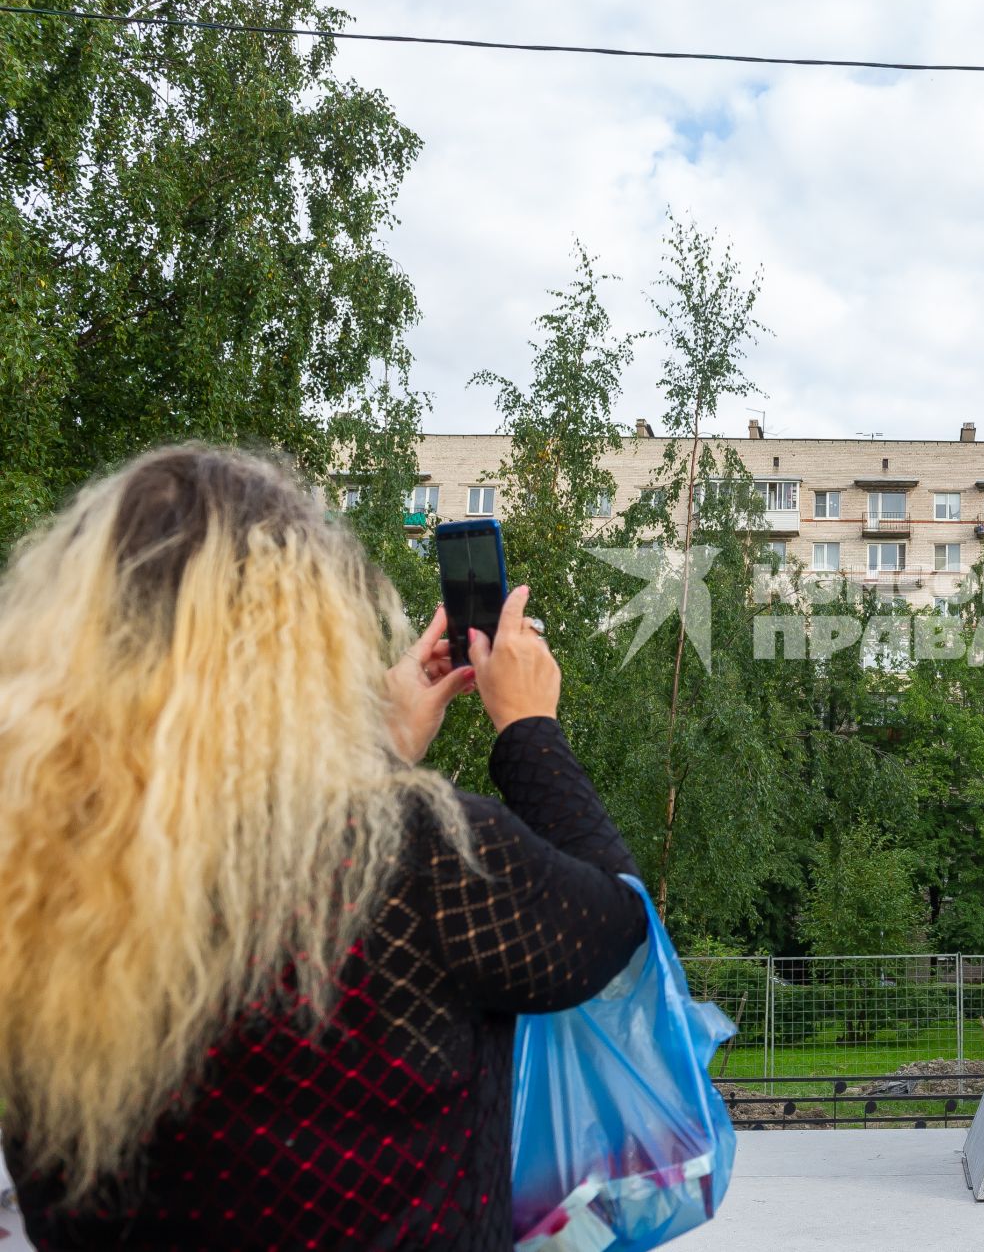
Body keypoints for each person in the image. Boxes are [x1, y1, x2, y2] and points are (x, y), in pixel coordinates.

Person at [0, 444, 648, 1249]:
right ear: (300, 647)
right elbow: (616, 923)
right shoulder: (420, 857)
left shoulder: (30, 874)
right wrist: (529, 730)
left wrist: (373, 749)